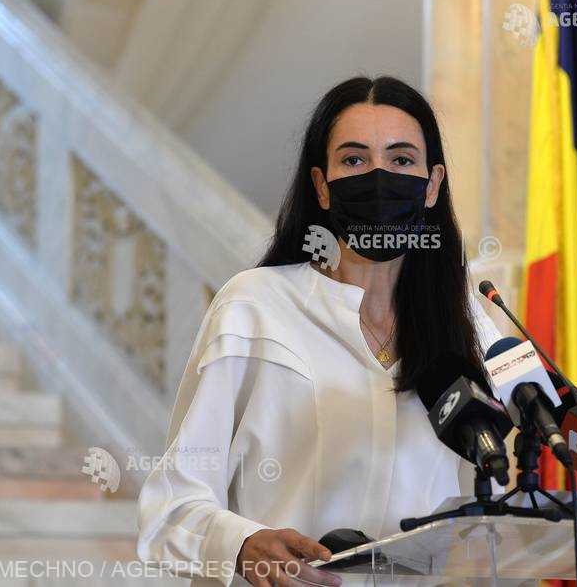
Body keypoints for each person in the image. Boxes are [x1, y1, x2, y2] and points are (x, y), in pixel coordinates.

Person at [137, 76, 502, 586]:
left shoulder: (470, 324)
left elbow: (493, 514)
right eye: (354, 160)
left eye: (401, 160)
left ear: (433, 184)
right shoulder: (254, 308)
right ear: (322, 186)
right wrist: (241, 544)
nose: (379, 179)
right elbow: (170, 508)